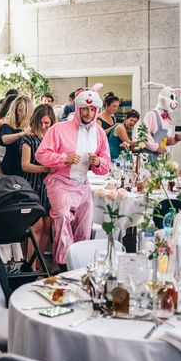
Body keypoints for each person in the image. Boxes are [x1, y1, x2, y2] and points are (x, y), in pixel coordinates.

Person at [35, 84, 111, 268]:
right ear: (78, 108)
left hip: (83, 185)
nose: (88, 113)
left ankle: (79, 266)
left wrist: (98, 162)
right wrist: (64, 159)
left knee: (84, 227)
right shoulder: (59, 129)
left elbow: (106, 163)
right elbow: (41, 155)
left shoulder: (99, 133)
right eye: (85, 108)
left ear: (96, 110)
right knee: (61, 218)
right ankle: (62, 266)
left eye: (92, 109)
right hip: (60, 183)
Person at [20, 104, 56, 270]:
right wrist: (45, 168)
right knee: (36, 227)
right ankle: (30, 266)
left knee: (47, 227)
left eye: (47, 123)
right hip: (33, 187)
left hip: (49, 188)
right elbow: (25, 165)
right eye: (41, 122)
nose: (44, 126)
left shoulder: (53, 139)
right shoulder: (29, 138)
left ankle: (40, 265)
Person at [0, 95, 33, 176]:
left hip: (26, 168)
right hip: (10, 165)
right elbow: (4, 139)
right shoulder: (9, 121)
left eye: (23, 111)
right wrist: (22, 133)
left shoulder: (33, 124)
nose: (20, 114)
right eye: (18, 110)